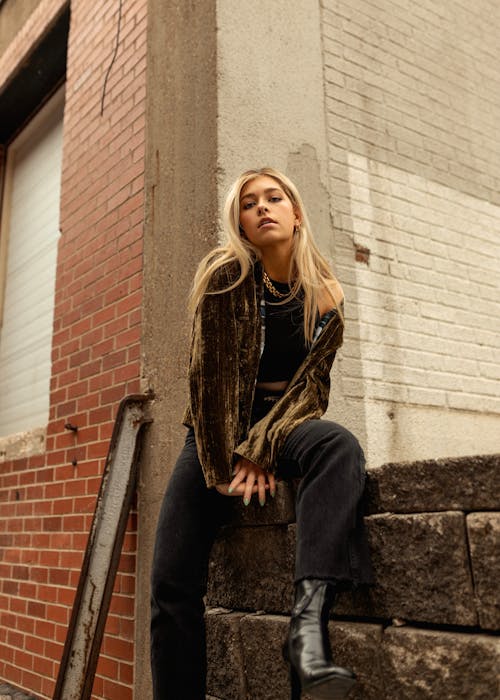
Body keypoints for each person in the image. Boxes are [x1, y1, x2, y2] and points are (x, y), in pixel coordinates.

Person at [150, 167, 373, 700]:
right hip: (213, 428)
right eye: (250, 204)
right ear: (242, 225)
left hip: (284, 420)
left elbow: (311, 388)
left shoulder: (326, 293)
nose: (263, 208)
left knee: (339, 445)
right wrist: (231, 456)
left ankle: (307, 632)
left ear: (296, 213)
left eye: (275, 198)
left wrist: (264, 449)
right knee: (171, 583)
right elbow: (209, 383)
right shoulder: (225, 277)